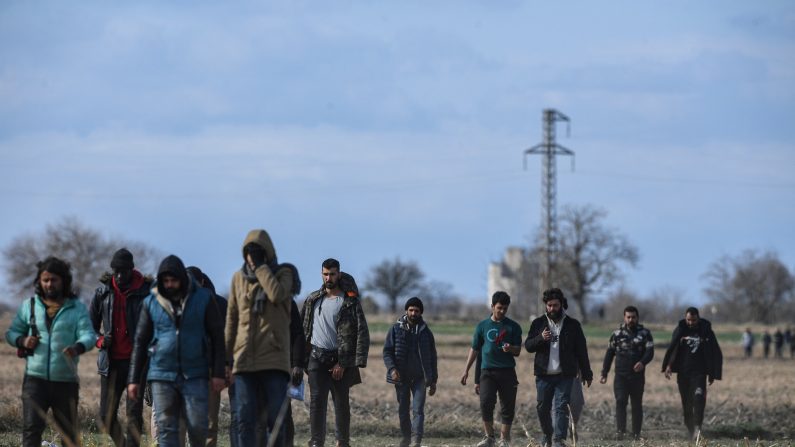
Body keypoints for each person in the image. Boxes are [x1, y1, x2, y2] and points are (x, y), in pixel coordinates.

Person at [127, 255, 226, 447]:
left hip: (195, 374)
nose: (170, 284)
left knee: (198, 426)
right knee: (166, 427)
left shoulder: (204, 299)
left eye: (174, 280)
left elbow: (217, 337)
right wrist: (134, 378)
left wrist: (219, 372)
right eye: (166, 281)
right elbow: (140, 342)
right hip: (163, 374)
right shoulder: (151, 303)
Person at [5, 256, 96, 447]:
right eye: (45, 280)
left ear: (64, 280)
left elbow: (89, 335)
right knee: (31, 429)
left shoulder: (77, 308)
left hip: (66, 381)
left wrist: (77, 347)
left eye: (54, 279)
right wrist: (22, 340)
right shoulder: (29, 306)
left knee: (68, 434)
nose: (49, 284)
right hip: (35, 380)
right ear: (39, 281)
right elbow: (12, 333)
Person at [225, 229, 300, 447]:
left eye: (256, 253)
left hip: (274, 359)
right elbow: (232, 319)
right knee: (244, 420)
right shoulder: (238, 278)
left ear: (266, 253)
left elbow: (276, 294)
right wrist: (225, 360)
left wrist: (261, 267)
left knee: (276, 420)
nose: (251, 259)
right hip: (244, 360)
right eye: (248, 254)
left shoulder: (284, 274)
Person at [300, 258, 370, 447]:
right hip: (316, 358)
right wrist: (300, 360)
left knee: (341, 403)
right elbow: (302, 330)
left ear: (338, 274)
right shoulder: (313, 299)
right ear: (321, 274)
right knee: (317, 402)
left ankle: (342, 442)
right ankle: (316, 441)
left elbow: (361, 332)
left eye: (332, 274)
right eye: (325, 274)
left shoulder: (349, 302)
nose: (328, 277)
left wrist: (345, 363)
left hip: (340, 361)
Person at [90, 248, 153, 447]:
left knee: (133, 415)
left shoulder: (146, 292)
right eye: (116, 271)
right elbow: (87, 328)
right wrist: (100, 340)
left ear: (132, 269)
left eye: (123, 271)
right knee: (104, 416)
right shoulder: (102, 293)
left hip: (137, 363)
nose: (119, 275)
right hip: (111, 363)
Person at [524, 288, 593, 447]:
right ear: (545, 305)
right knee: (542, 407)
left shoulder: (573, 325)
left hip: (565, 375)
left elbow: (582, 351)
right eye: (549, 305)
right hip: (543, 375)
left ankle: (558, 440)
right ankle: (547, 435)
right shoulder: (538, 323)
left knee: (561, 407)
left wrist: (587, 373)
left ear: (562, 305)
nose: (552, 308)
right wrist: (540, 338)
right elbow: (528, 346)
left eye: (555, 305)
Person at [460, 291, 522, 447]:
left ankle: (504, 440)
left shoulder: (513, 327)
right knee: (486, 403)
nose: (502, 311)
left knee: (507, 406)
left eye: (505, 308)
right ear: (492, 306)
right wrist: (466, 370)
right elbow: (475, 349)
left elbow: (518, 351)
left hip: (507, 372)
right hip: (487, 372)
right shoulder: (482, 326)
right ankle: (489, 437)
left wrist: (511, 348)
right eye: (499, 307)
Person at [185, 266, 236, 447]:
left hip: (210, 369)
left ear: (202, 282)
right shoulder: (179, 304)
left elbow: (227, 339)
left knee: (209, 422)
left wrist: (226, 365)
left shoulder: (219, 304)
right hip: (185, 370)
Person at [383, 297, 438, 447]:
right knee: (403, 410)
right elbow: (387, 352)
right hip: (401, 377)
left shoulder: (426, 332)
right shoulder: (395, 329)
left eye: (417, 311)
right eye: (411, 310)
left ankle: (416, 441)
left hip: (420, 378)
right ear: (406, 310)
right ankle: (406, 437)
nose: (413, 313)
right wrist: (392, 369)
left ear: (421, 313)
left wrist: (433, 381)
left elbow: (433, 357)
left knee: (418, 410)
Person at [662, 307, 723, 440]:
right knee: (687, 404)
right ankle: (690, 431)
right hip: (683, 374)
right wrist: (669, 366)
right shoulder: (680, 330)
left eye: (693, 320)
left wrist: (713, 373)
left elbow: (714, 352)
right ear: (685, 318)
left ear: (698, 318)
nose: (691, 323)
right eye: (688, 320)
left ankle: (697, 428)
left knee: (699, 398)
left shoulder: (706, 332)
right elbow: (673, 349)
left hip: (699, 373)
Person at [599, 306, 654, 440]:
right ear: (624, 317)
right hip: (621, 376)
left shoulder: (645, 333)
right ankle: (620, 432)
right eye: (628, 317)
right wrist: (604, 373)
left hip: (637, 376)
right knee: (621, 401)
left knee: (636, 404)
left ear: (637, 318)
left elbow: (650, 352)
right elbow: (609, 353)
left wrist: (642, 362)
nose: (631, 320)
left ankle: (636, 433)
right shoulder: (616, 334)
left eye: (633, 317)